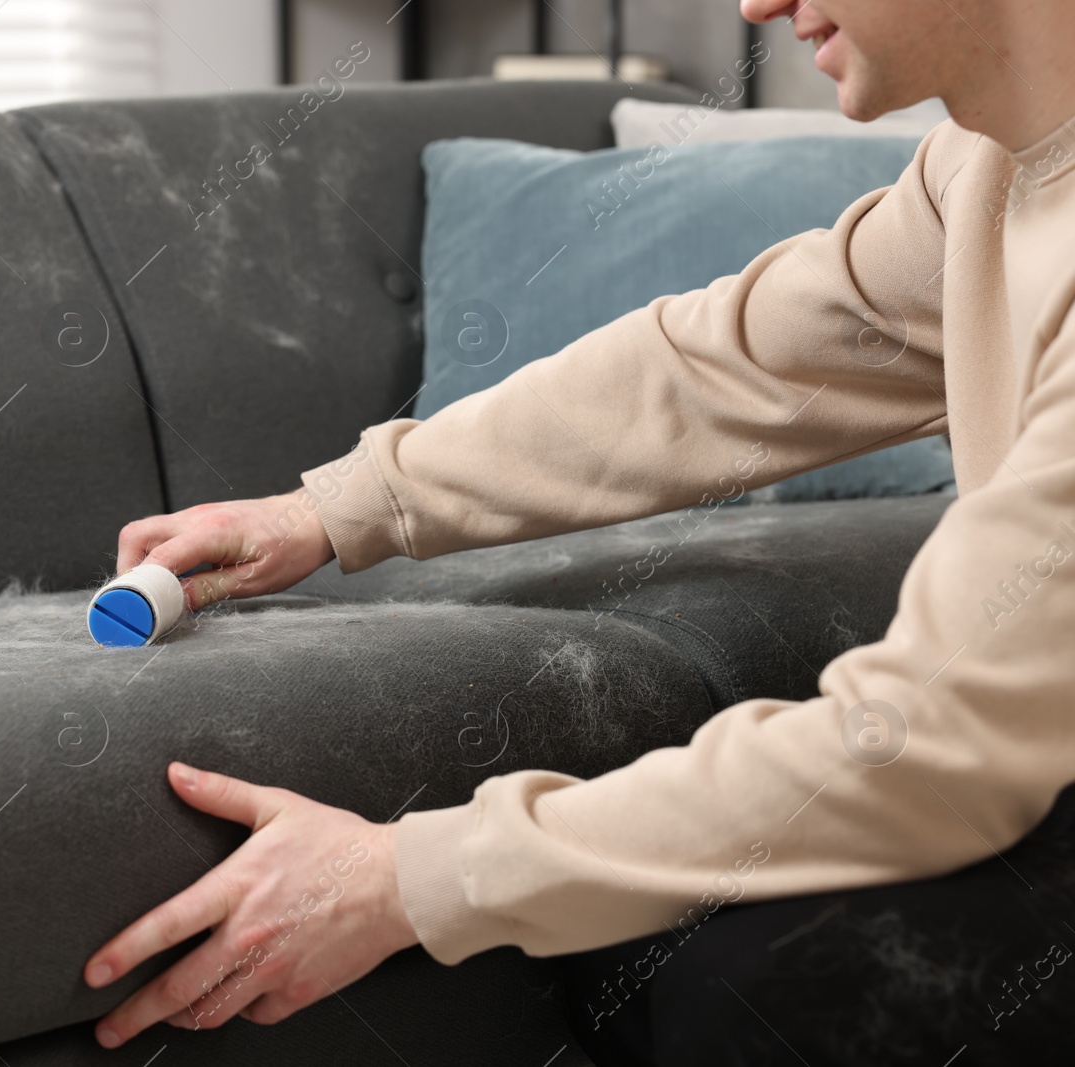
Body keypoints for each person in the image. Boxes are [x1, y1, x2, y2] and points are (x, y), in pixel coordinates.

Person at [80, 0, 1075, 1061]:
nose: (757, 5)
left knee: (750, 992)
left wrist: (401, 879)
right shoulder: (979, 169)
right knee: (626, 954)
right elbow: (722, 368)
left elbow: (927, 741)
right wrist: (334, 506)